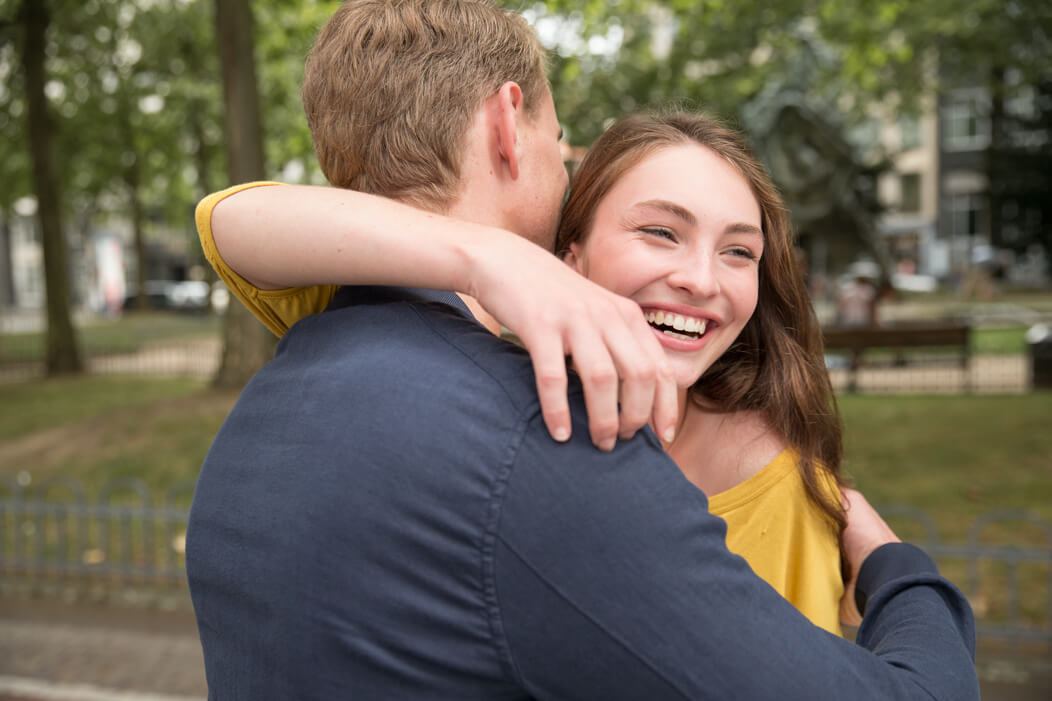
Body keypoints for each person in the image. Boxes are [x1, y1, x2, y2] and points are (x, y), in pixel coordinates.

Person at [185, 1, 979, 698]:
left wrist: (483, 259)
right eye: (558, 140)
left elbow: (231, 222)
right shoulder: (553, 447)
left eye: (740, 251)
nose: (563, 167)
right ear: (508, 124)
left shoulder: (292, 374)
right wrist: (900, 571)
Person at [200, 111, 850, 634]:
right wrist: (489, 257)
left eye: (739, 251)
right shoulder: (492, 391)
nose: (701, 279)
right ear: (569, 256)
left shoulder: (777, 482)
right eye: (660, 232)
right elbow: (231, 222)